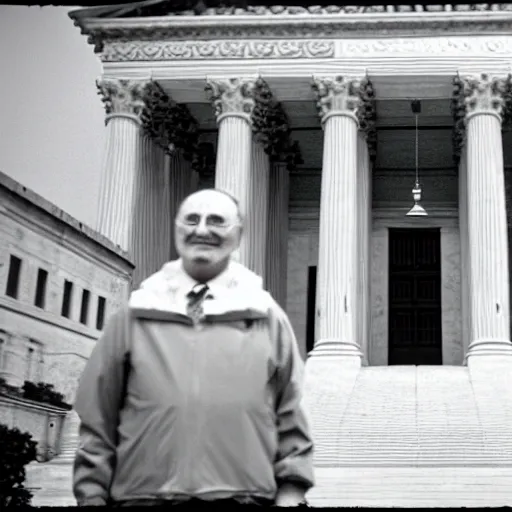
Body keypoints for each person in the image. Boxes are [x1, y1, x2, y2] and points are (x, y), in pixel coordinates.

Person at [72, 188, 315, 507]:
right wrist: (91, 497)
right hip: (143, 498)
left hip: (243, 498)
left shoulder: (266, 318)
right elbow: (97, 416)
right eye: (192, 219)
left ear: (238, 234)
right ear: (177, 229)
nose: (202, 230)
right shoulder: (133, 317)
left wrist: (292, 490)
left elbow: (291, 412)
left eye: (217, 221)